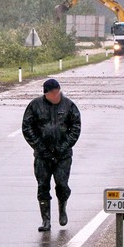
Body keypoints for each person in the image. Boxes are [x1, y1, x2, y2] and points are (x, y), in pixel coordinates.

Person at [21, 78, 82, 232]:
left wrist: (65, 145)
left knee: (62, 184)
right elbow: (27, 127)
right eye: (52, 94)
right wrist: (40, 147)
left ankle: (62, 207)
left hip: (63, 155)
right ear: (46, 94)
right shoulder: (35, 106)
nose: (56, 96)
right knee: (43, 186)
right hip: (42, 155)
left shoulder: (69, 105)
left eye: (57, 92)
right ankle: (46, 220)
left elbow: (76, 126)